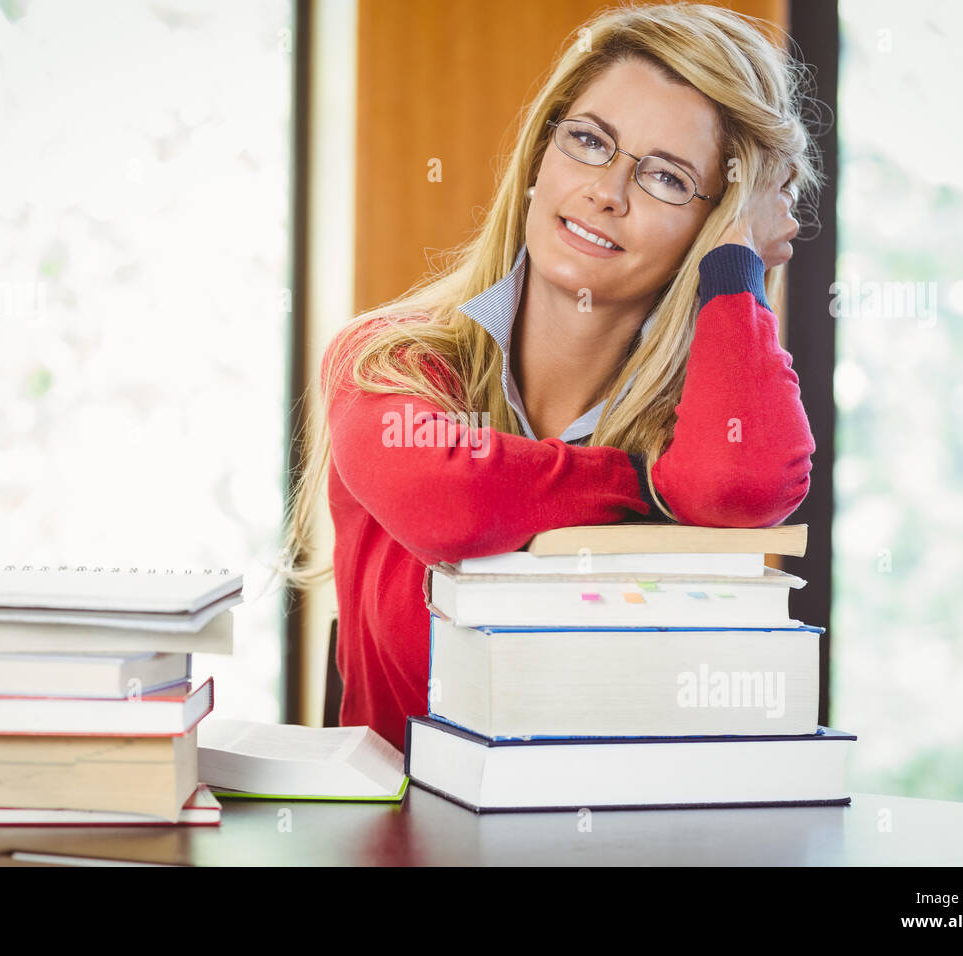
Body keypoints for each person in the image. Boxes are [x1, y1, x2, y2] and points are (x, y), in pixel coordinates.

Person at [281, 2, 824, 752]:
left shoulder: (696, 424)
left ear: (711, 223)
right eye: (590, 141)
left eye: (667, 177)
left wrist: (735, 269)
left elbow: (744, 485)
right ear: (542, 157)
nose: (608, 191)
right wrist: (640, 482)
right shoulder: (388, 361)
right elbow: (451, 502)